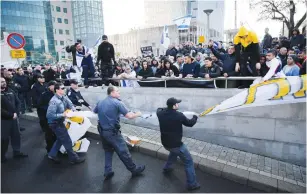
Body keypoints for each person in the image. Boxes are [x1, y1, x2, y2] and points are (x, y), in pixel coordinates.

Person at [93, 86, 145, 180]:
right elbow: (129, 116)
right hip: (112, 133)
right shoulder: (117, 102)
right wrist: (138, 114)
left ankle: (107, 171)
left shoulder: (100, 102)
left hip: (102, 131)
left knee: (108, 150)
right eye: (117, 91)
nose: (119, 92)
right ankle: (134, 169)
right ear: (111, 93)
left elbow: (95, 111)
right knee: (123, 151)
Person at [156, 97, 200, 191]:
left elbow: (159, 109)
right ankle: (192, 184)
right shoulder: (179, 115)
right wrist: (195, 117)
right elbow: (190, 123)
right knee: (188, 162)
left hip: (165, 143)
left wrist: (168, 108)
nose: (178, 105)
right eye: (177, 103)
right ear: (174, 106)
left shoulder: (160, 113)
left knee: (174, 152)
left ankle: (167, 168)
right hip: (176, 144)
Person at [46, 83, 85, 164]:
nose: (64, 89)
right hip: (55, 123)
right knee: (67, 141)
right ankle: (74, 159)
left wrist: (73, 109)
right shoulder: (54, 101)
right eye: (62, 88)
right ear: (57, 90)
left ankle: (52, 154)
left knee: (60, 139)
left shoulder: (64, 97)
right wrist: (62, 114)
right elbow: (49, 115)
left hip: (60, 122)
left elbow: (70, 104)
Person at [1, 77, 28, 163]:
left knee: (16, 135)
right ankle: (2, 156)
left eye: (4, 81)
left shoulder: (11, 91)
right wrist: (11, 115)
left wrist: (16, 113)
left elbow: (18, 102)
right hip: (3, 120)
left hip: (14, 118)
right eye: (1, 82)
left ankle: (17, 152)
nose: (3, 83)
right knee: (4, 139)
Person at [37, 81, 57, 153]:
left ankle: (56, 148)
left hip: (56, 118)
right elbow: (40, 105)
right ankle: (50, 149)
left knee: (56, 134)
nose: (55, 87)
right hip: (47, 118)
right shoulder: (44, 95)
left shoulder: (57, 94)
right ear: (49, 86)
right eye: (53, 85)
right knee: (49, 134)